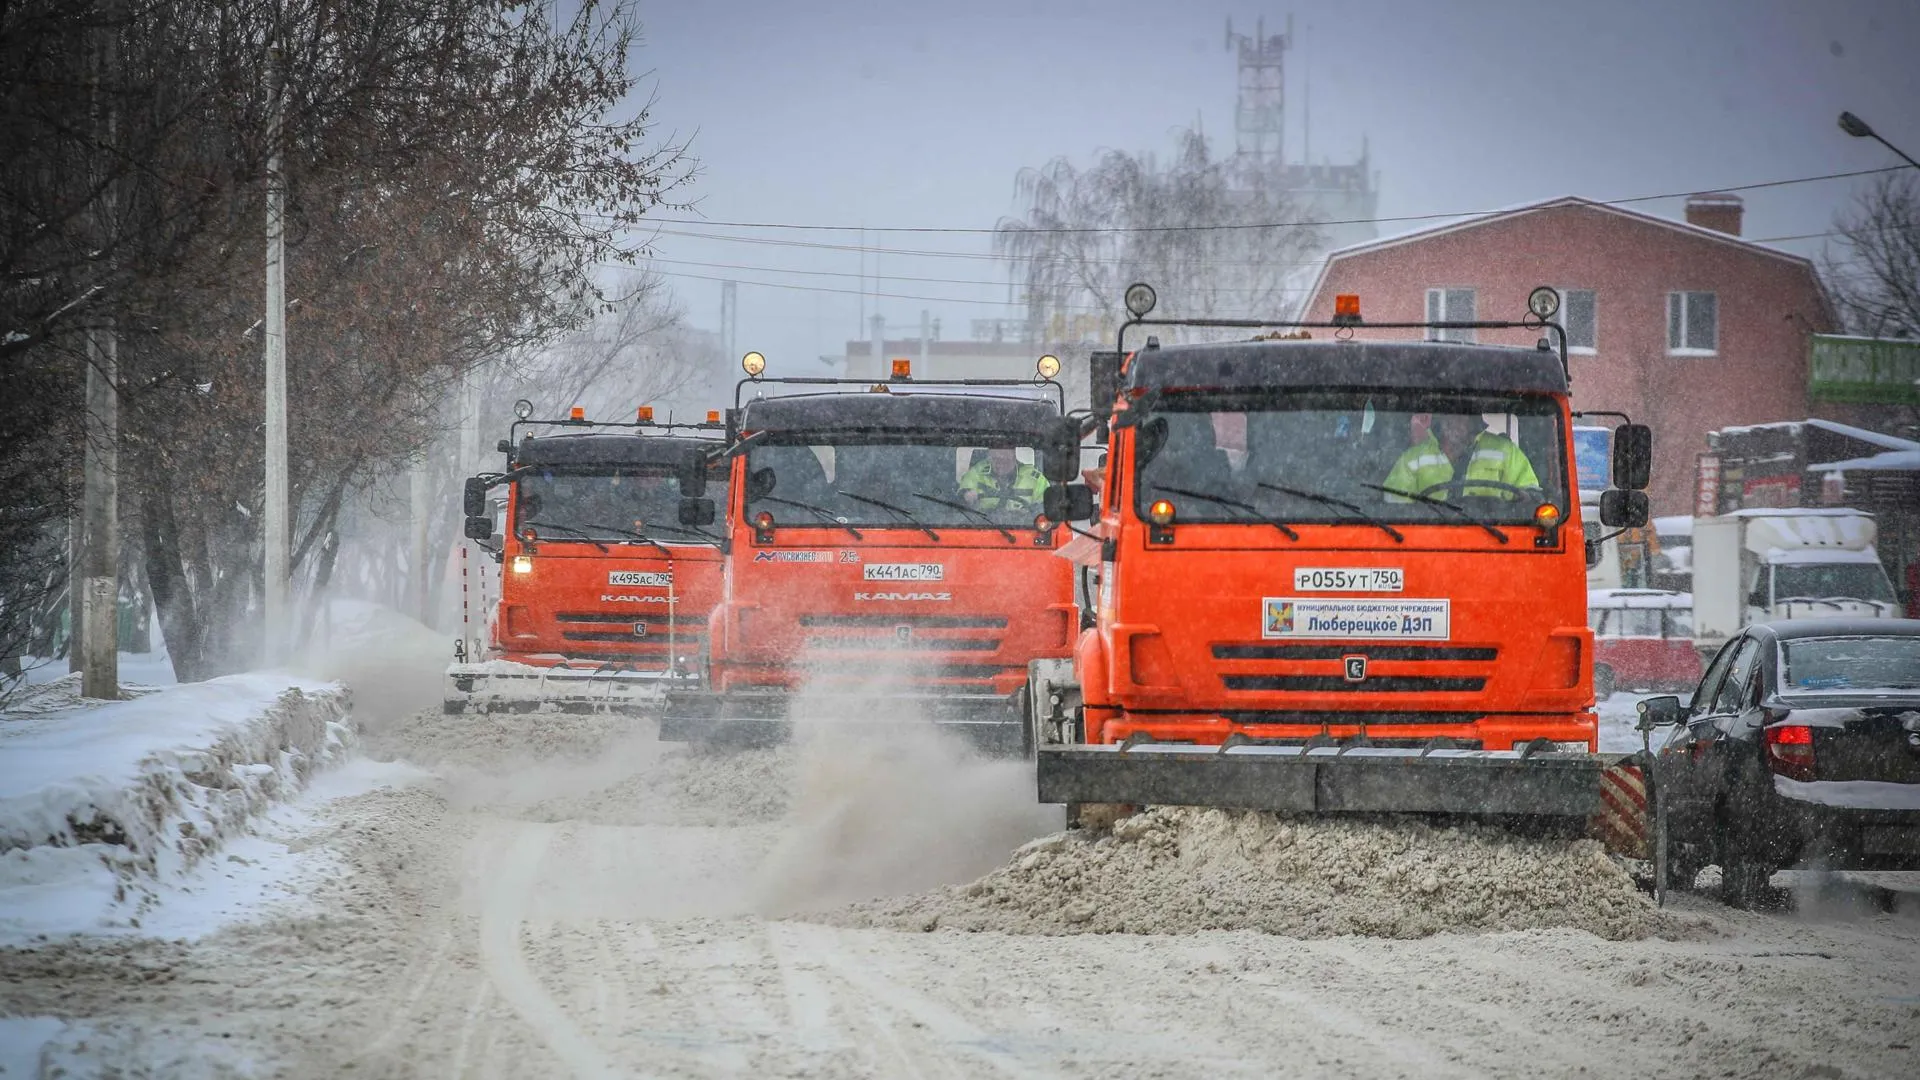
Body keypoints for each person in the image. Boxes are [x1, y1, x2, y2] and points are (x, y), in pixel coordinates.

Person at [1382, 412, 1540, 502]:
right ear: (1441, 419)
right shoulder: (1412, 459)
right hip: (1428, 542)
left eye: (1462, 414)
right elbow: (1393, 505)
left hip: (1496, 542)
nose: (1454, 421)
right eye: (1449, 413)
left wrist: (1498, 511)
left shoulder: (1506, 452)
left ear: (1474, 420)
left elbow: (1529, 494)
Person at [959, 446, 1048, 512]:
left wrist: (1033, 511)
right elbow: (960, 498)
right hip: (981, 525)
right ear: (990, 456)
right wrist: (967, 496)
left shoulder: (1034, 479)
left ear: (1014, 456)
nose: (999, 464)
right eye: (995, 459)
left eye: (1004, 460)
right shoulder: (977, 472)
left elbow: (1047, 507)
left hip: (1023, 527)